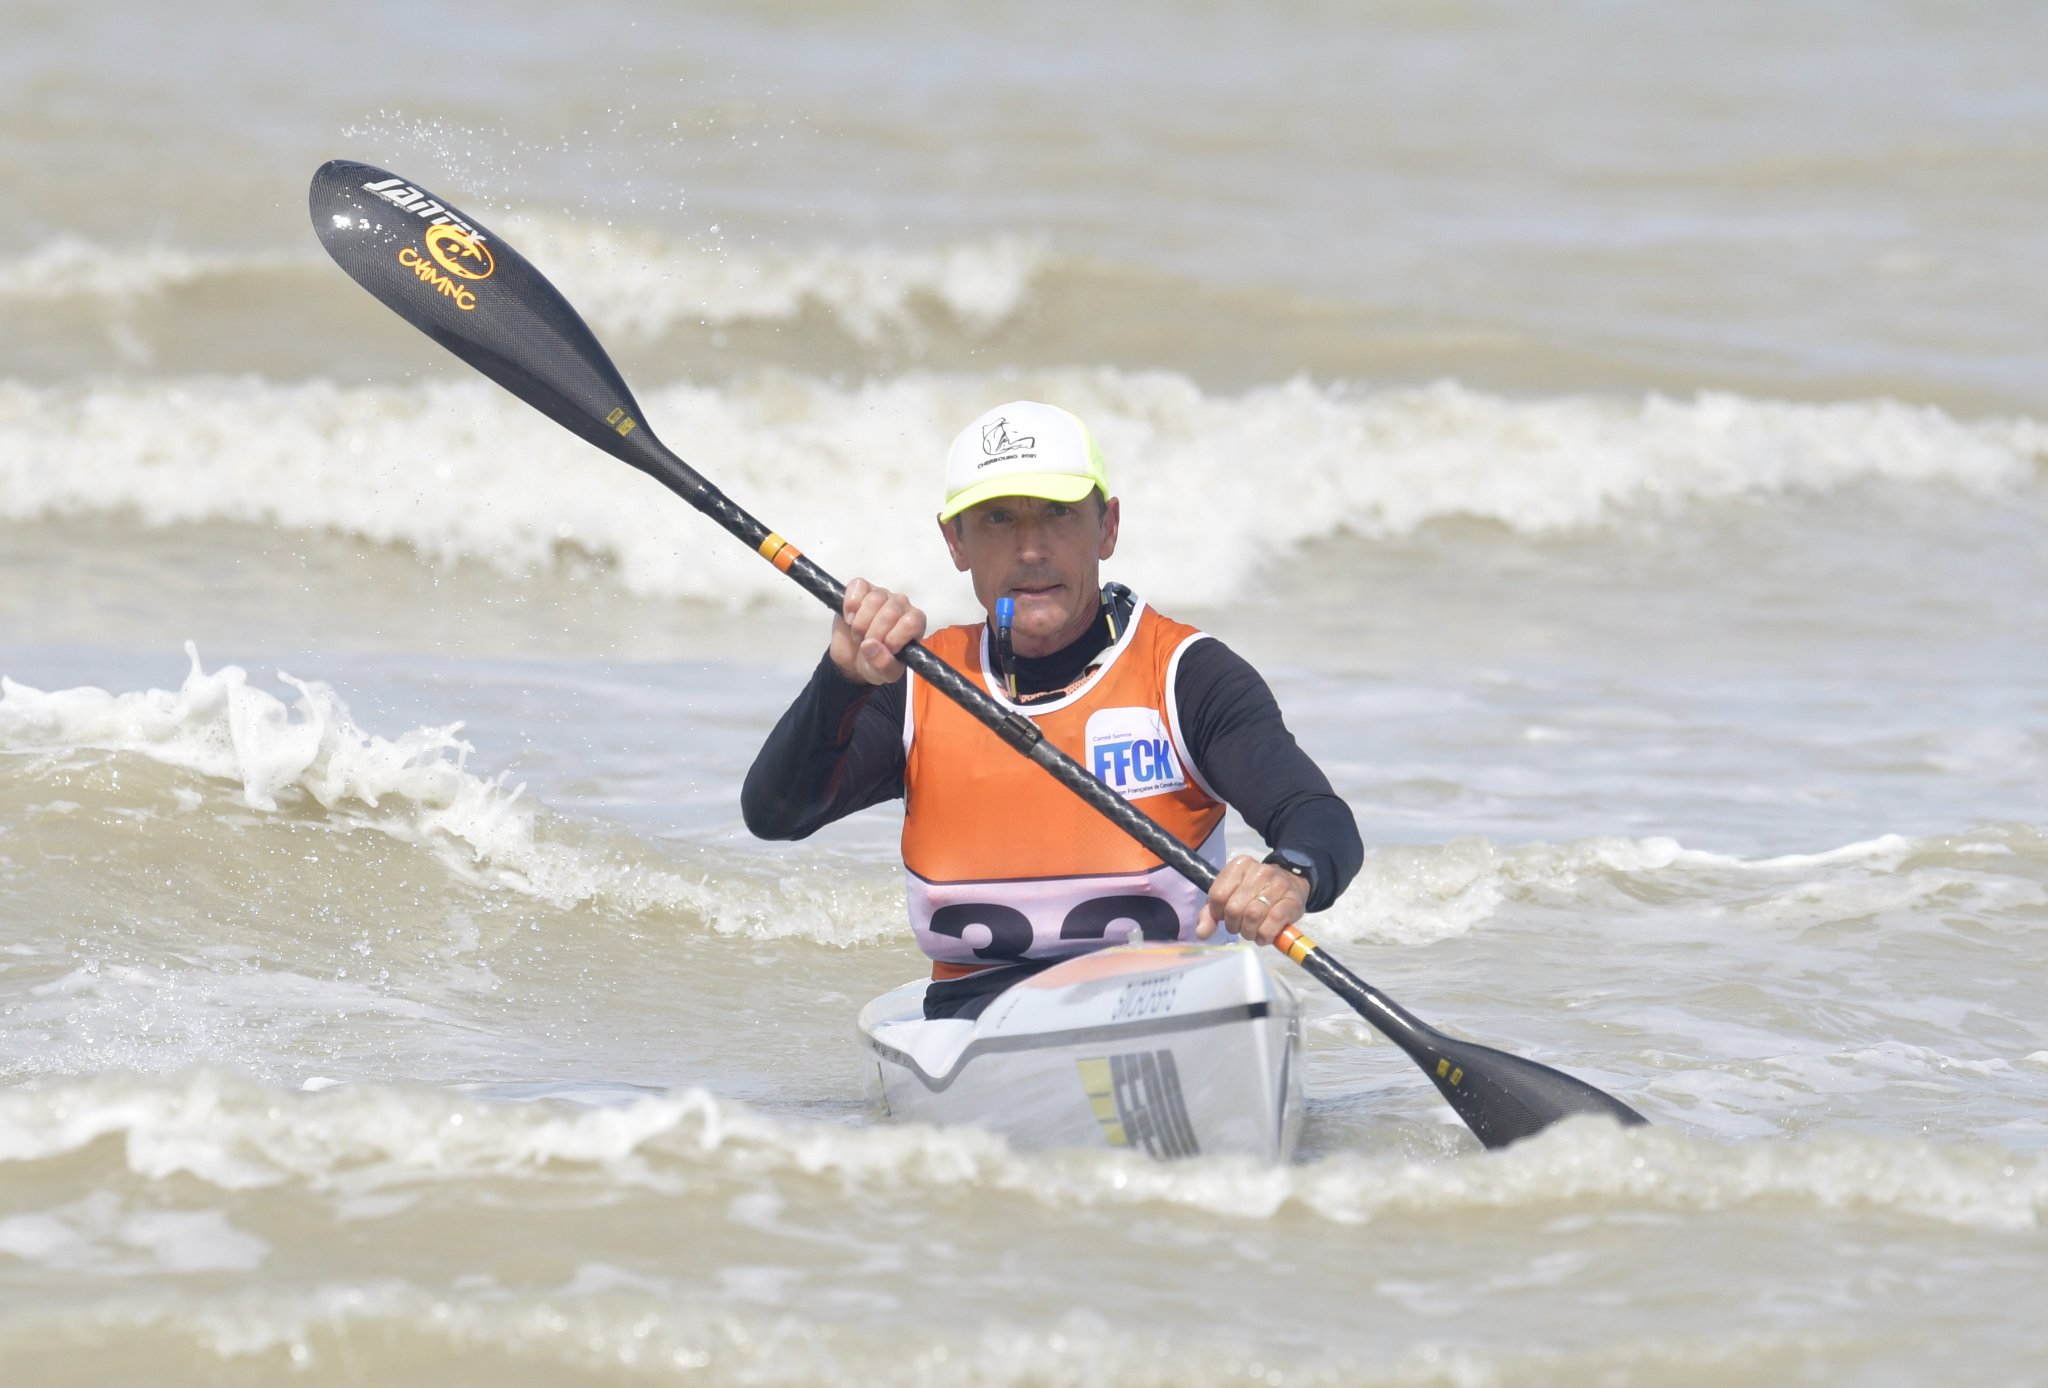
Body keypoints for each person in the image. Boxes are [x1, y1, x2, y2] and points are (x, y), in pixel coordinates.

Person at [742, 400, 1363, 1020]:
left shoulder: (1184, 674)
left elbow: (1317, 816)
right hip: (973, 1020)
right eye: (999, 519)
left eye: (1060, 515)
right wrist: (842, 679)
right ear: (955, 542)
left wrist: (1289, 874)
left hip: (1172, 1011)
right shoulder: (918, 680)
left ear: (1107, 527)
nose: (1031, 548)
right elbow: (777, 813)